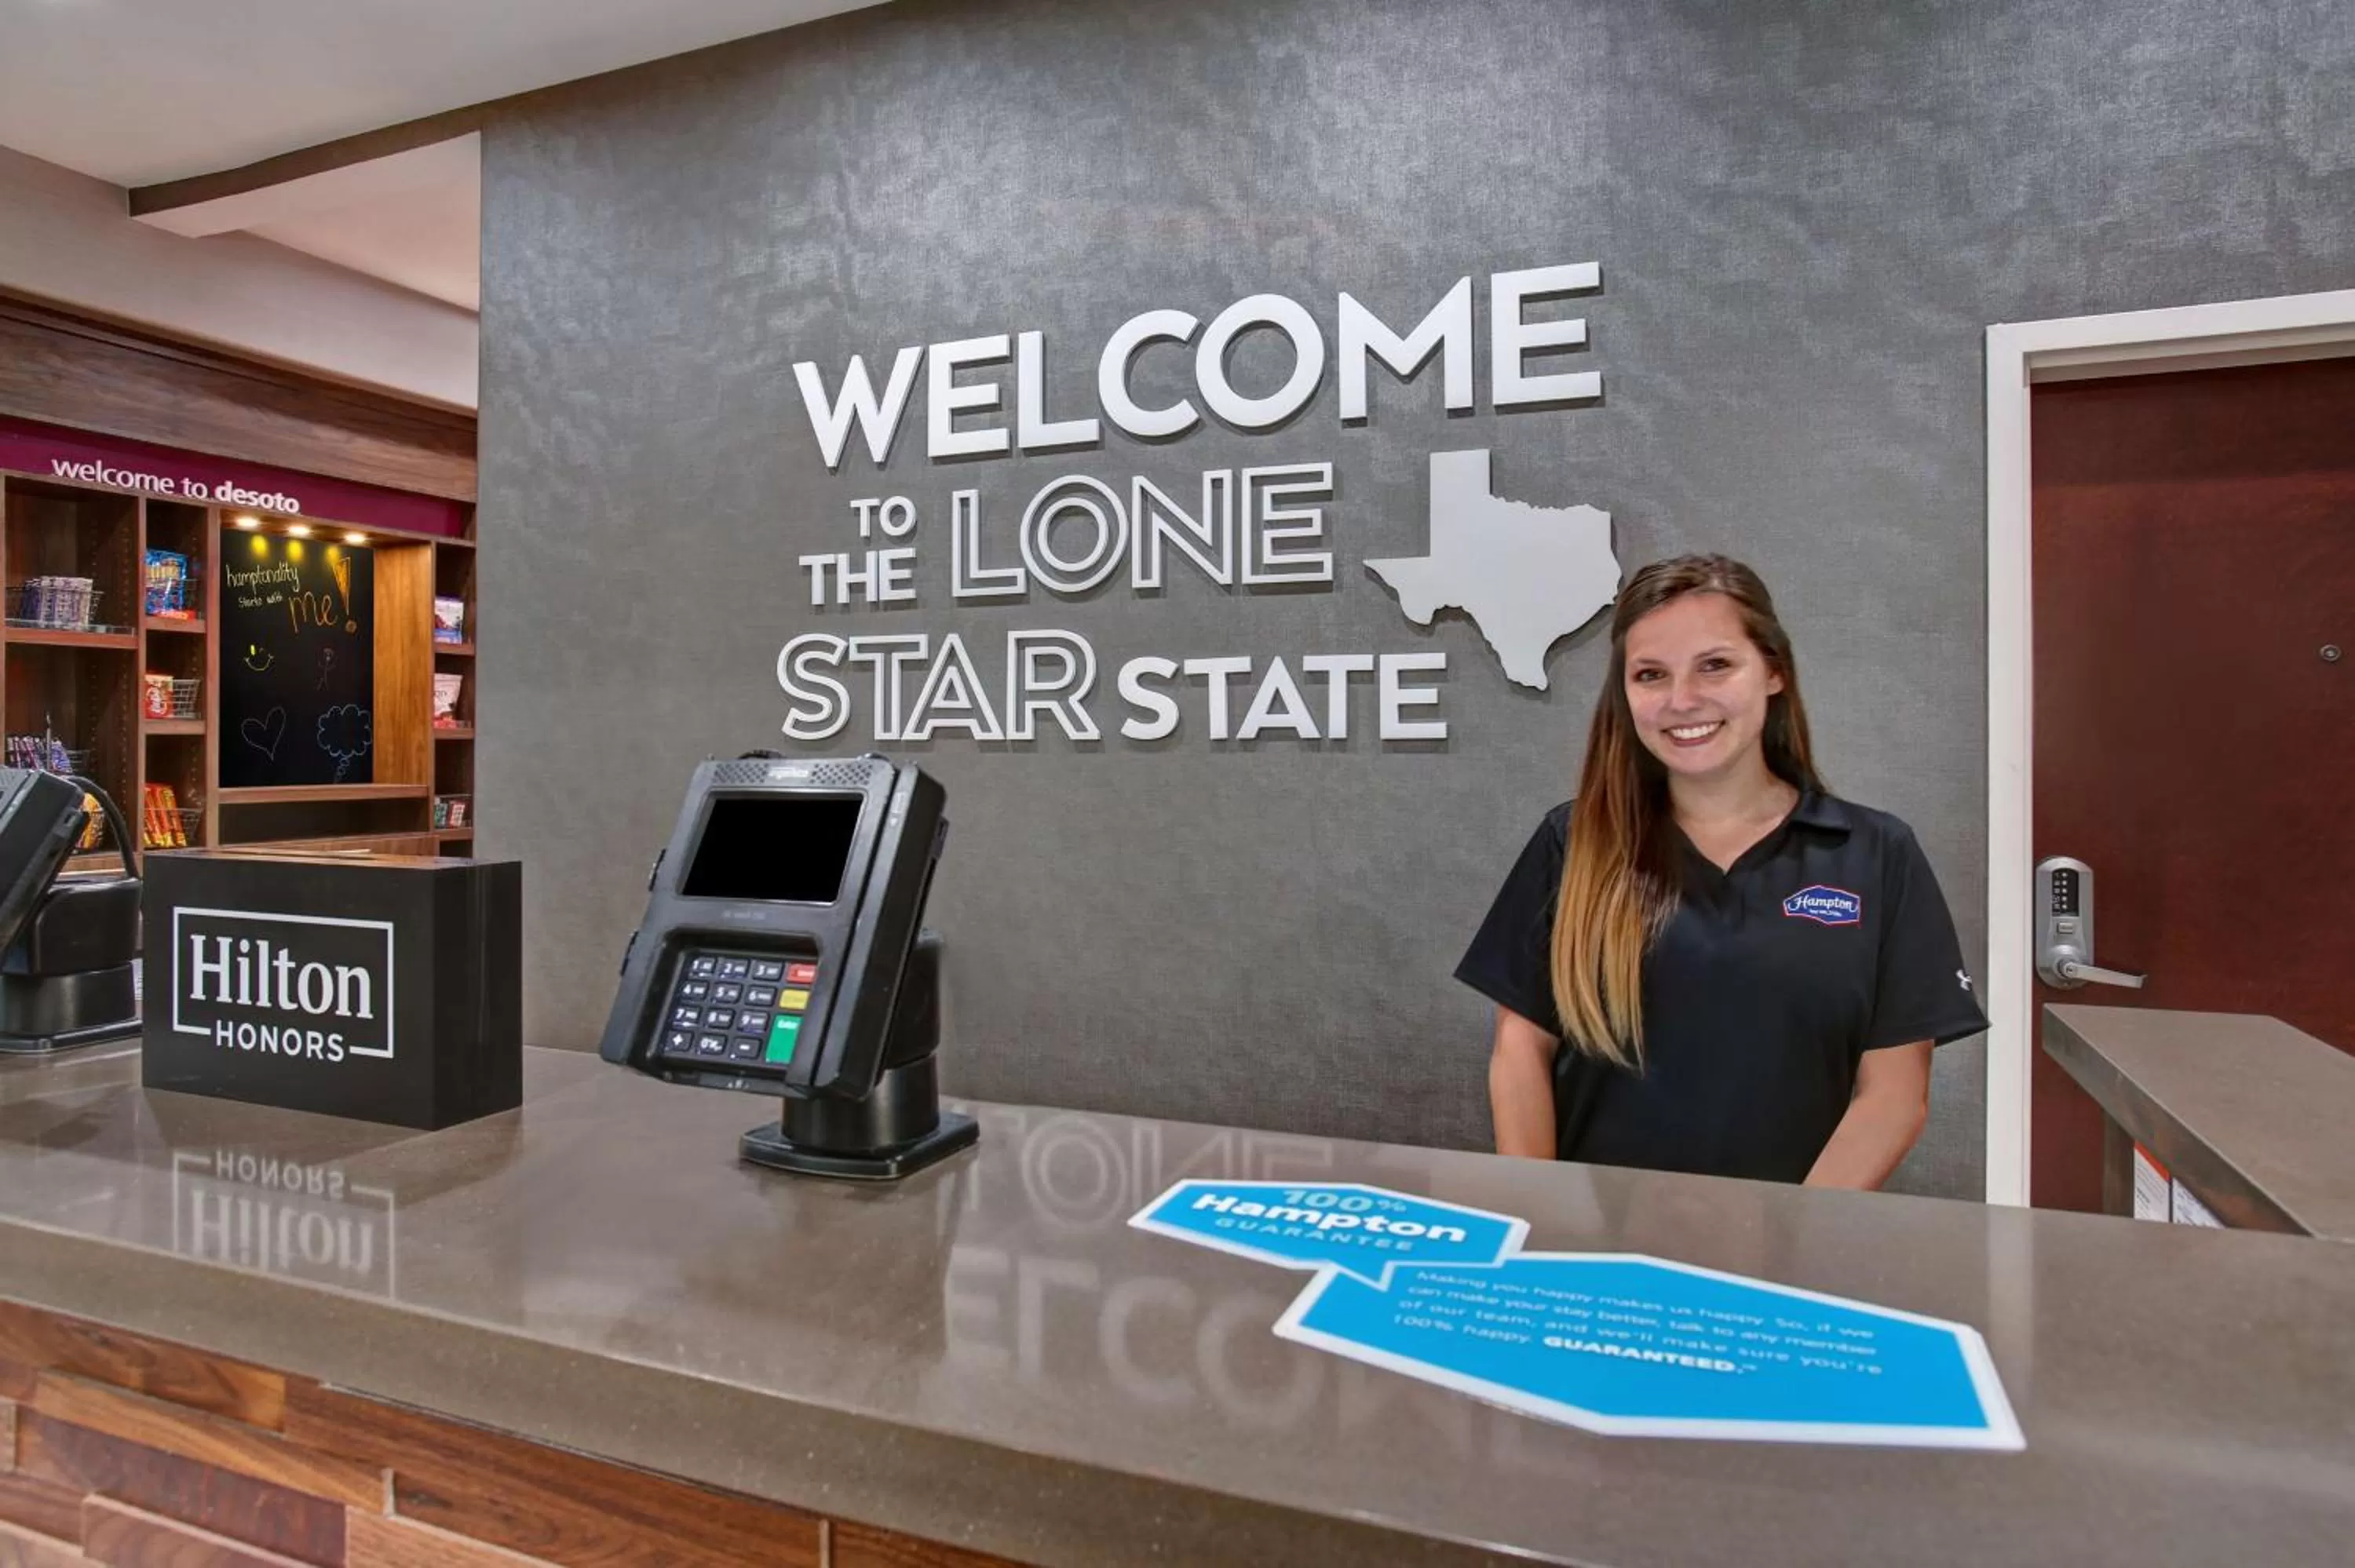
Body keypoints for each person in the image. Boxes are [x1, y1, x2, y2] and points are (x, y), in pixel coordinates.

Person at [1457, 554, 1986, 1187]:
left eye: (1715, 665)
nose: (1683, 701)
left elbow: (1895, 1094)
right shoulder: (1574, 844)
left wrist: (1790, 1242)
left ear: (1773, 672)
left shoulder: (1877, 854)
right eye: (1651, 675)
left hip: (1791, 1250)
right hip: (1595, 1253)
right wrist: (1540, 1213)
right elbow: (1520, 1052)